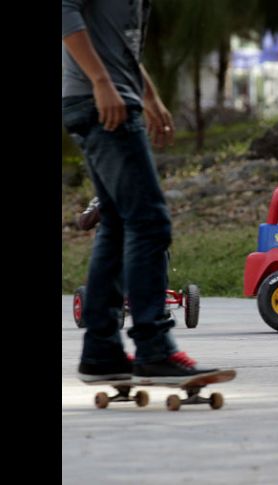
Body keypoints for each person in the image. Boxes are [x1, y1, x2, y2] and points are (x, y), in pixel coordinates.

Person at [62, 0, 217, 383]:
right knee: (149, 222)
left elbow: (120, 46)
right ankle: (154, 348)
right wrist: (102, 82)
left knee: (116, 226)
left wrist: (148, 95)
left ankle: (102, 352)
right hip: (100, 101)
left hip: (110, 97)